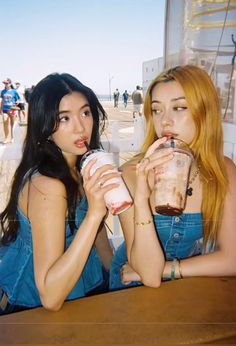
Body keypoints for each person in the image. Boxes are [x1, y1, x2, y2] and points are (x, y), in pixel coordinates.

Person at [0, 73, 119, 315]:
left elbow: (102, 245)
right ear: (45, 126)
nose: (80, 127)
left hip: (87, 287)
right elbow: (50, 297)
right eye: (64, 118)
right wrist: (96, 213)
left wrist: (120, 285)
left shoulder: (83, 167)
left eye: (85, 113)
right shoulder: (48, 186)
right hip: (34, 309)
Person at [109, 65, 236, 291]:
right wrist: (141, 198)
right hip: (130, 286)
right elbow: (148, 275)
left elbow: (232, 258)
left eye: (179, 107)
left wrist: (170, 269)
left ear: (205, 112)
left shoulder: (221, 170)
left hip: (185, 284)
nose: (165, 121)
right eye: (157, 110)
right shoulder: (131, 173)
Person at [0, 78, 20, 144]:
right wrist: (1, 109)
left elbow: (18, 99)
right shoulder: (2, 91)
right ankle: (6, 138)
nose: (5, 84)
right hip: (5, 110)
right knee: (5, 122)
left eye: (7, 83)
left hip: (12, 109)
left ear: (10, 84)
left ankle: (12, 137)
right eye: (5, 83)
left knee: (12, 124)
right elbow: (2, 101)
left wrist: (17, 102)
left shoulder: (14, 91)